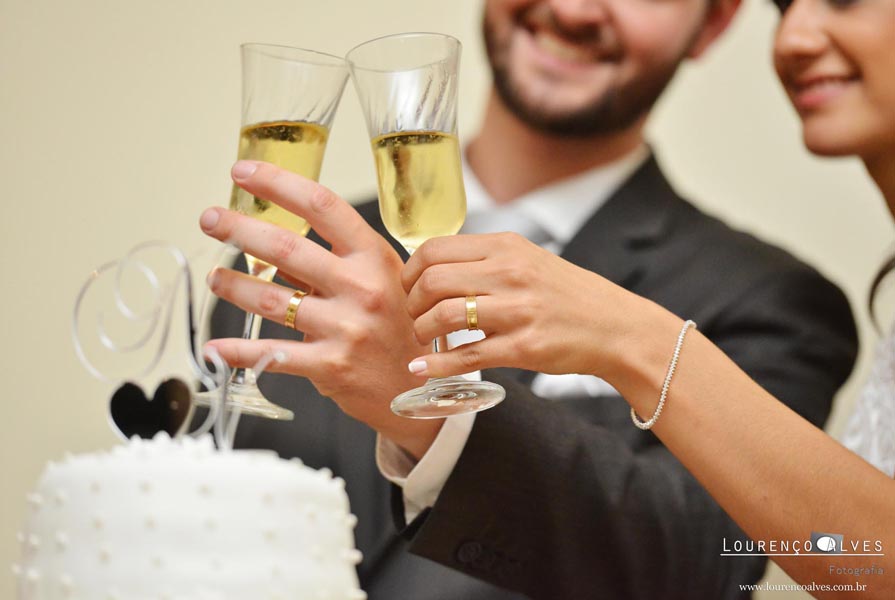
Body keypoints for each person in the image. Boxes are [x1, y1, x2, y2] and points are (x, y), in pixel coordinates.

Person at [202, 0, 859, 597]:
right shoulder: (295, 261)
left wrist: (435, 421)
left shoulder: (768, 303)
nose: (574, 10)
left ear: (713, 22)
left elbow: (704, 566)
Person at [395, 0, 895, 596]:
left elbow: (743, 561)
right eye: (784, 6)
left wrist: (636, 341)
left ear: (714, 24)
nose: (792, 38)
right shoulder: (324, 245)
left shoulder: (770, 300)